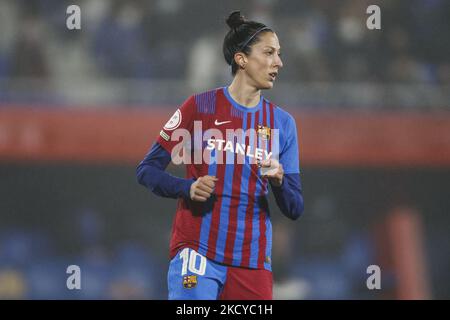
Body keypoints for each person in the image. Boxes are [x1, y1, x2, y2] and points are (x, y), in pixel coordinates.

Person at [137, 11, 304, 300]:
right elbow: (147, 170)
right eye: (269, 52)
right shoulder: (198, 107)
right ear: (241, 59)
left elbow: (294, 207)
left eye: (279, 54)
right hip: (198, 253)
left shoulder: (283, 124)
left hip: (252, 264)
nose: (279, 62)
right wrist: (187, 187)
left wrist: (278, 180)